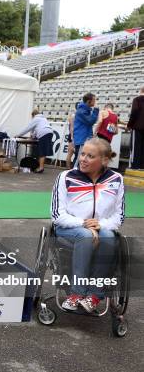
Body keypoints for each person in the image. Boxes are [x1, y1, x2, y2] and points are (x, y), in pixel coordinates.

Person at [51, 137, 124, 313]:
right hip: (69, 228)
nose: (83, 159)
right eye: (82, 154)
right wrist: (83, 223)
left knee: (108, 237)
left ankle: (94, 295)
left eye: (90, 156)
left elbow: (118, 216)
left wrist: (99, 225)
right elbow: (56, 215)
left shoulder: (116, 179)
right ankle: (77, 293)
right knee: (85, 236)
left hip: (102, 228)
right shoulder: (66, 177)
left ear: (104, 160)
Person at [15, 108, 53, 173]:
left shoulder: (36, 119)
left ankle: (41, 168)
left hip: (43, 133)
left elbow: (28, 128)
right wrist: (33, 136)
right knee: (44, 151)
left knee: (42, 151)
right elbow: (35, 129)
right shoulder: (43, 118)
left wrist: (18, 135)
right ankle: (40, 166)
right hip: (50, 132)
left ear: (33, 114)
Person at [73, 93, 99, 166]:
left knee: (81, 159)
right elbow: (90, 121)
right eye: (94, 100)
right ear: (88, 101)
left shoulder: (85, 110)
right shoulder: (82, 111)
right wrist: (96, 111)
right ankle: (73, 175)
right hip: (82, 139)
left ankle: (77, 175)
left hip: (84, 138)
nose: (95, 102)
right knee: (78, 160)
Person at [127, 86, 144, 170]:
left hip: (137, 127)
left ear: (141, 91)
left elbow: (134, 112)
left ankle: (134, 165)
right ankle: (142, 166)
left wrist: (129, 125)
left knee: (135, 147)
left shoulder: (137, 99)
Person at [66, 102, 78, 168]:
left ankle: (70, 168)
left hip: (75, 135)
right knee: (70, 152)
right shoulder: (74, 115)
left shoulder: (74, 115)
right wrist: (73, 137)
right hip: (73, 135)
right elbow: (71, 127)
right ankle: (68, 169)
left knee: (73, 153)